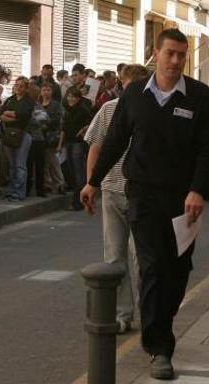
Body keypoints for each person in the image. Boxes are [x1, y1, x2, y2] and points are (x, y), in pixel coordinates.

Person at [81, 29, 209, 380]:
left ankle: (162, 324)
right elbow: (114, 141)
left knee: (177, 271)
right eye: (170, 53)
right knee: (153, 265)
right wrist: (92, 182)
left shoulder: (200, 97)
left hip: (183, 200)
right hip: (142, 195)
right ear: (155, 54)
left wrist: (197, 189)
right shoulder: (134, 95)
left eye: (181, 55)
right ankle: (159, 347)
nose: (176, 61)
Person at [84, 63, 150, 333]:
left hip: (141, 194)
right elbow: (95, 147)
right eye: (126, 82)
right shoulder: (108, 109)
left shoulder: (150, 111)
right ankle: (123, 315)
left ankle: (148, 315)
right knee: (114, 257)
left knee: (141, 258)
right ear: (121, 83)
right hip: (112, 190)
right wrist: (91, 184)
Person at [0, 76, 34, 202]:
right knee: (12, 165)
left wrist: (10, 114)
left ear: (26, 89)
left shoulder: (29, 101)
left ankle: (19, 192)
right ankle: (12, 190)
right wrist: (13, 116)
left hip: (23, 134)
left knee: (20, 164)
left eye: (21, 86)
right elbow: (1, 114)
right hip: (9, 134)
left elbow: (24, 115)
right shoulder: (9, 100)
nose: (18, 88)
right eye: (17, 85)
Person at [58, 86, 92, 211]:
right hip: (68, 143)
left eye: (73, 97)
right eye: (69, 96)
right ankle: (82, 198)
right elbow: (64, 129)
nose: (70, 99)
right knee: (70, 171)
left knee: (78, 173)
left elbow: (91, 123)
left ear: (78, 98)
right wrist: (60, 144)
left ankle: (77, 202)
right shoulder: (67, 110)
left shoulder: (83, 110)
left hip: (78, 143)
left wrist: (84, 129)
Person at [38, 81, 64, 195]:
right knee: (43, 161)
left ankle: (60, 183)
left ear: (52, 92)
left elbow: (58, 119)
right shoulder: (38, 104)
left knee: (53, 161)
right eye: (44, 90)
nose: (46, 92)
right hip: (39, 135)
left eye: (48, 90)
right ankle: (47, 183)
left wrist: (46, 122)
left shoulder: (56, 105)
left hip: (51, 135)